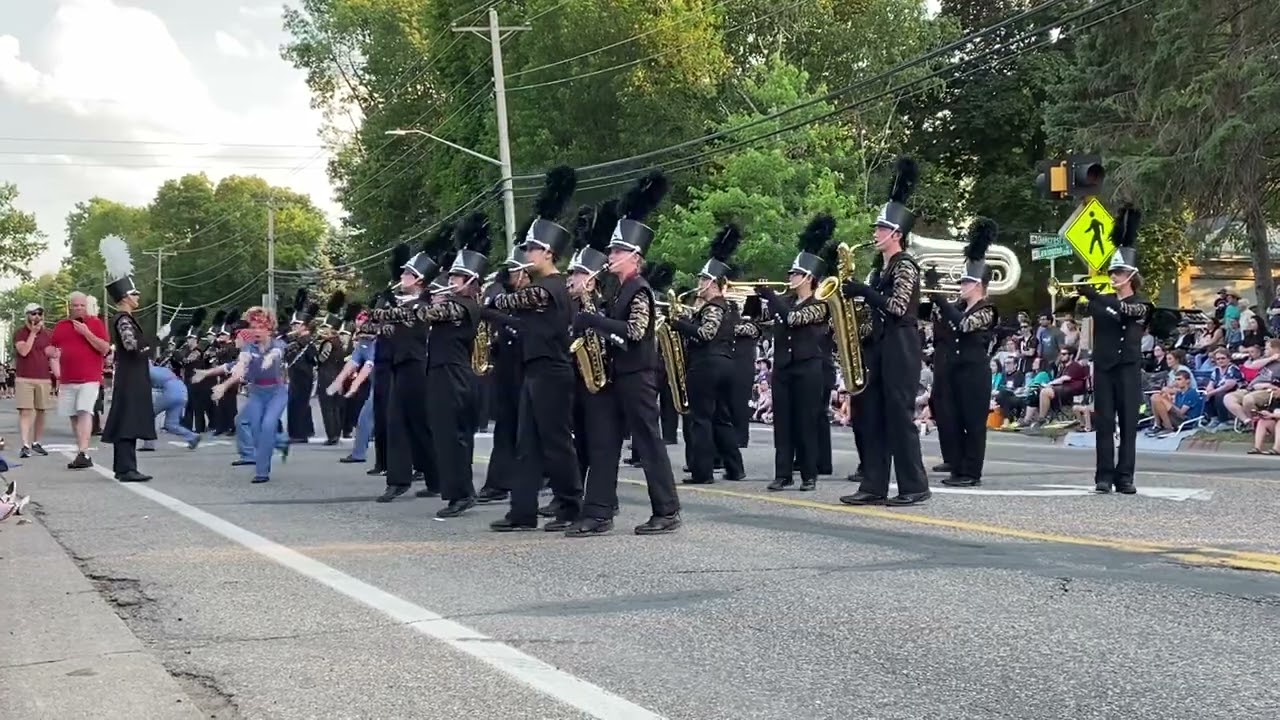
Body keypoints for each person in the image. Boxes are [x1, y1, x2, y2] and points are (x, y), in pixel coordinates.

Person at [567, 170, 681, 535]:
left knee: (648, 445)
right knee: (604, 443)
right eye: (611, 250)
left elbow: (635, 331)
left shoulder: (640, 289)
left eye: (617, 251)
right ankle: (598, 512)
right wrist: (591, 311)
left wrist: (595, 320)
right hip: (617, 376)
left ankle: (667, 510)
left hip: (639, 377)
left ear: (634, 256)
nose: (610, 256)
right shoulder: (618, 289)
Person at [487, 166, 583, 532]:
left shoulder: (552, 287)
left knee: (555, 443)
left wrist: (496, 294)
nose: (526, 254)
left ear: (547, 253)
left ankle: (571, 505)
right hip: (534, 370)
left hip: (553, 372)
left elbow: (514, 301)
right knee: (526, 443)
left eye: (531, 249)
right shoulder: (539, 286)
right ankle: (522, 511)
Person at [839, 156, 930, 506]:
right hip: (878, 345)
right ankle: (873, 485)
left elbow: (897, 307)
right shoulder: (881, 270)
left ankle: (914, 486)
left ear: (897, 234)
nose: (875, 233)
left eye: (881, 228)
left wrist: (865, 292)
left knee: (898, 417)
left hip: (901, 345)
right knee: (873, 416)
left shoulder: (906, 265)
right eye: (877, 228)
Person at [754, 214, 834, 492]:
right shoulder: (785, 300)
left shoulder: (820, 304)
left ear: (808, 277)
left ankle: (809, 474)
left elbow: (793, 319)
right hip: (783, 368)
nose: (790, 277)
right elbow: (762, 322)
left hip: (808, 368)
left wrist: (771, 296)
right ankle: (783, 473)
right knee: (783, 423)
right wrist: (760, 300)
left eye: (795, 274)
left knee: (806, 422)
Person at [1076, 205, 1151, 494]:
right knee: (1104, 422)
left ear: (1131, 275)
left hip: (1129, 368)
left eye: (1118, 272)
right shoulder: (1100, 301)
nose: (1114, 276)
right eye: (1112, 272)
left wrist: (1097, 297)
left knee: (1129, 424)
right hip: (1105, 368)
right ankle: (1104, 476)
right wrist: (1085, 297)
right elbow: (1079, 310)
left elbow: (1127, 311)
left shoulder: (1143, 304)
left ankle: (1125, 476)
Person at [419, 212, 488, 518]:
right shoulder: (452, 303)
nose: (449, 282)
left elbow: (427, 315)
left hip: (455, 376)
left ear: (470, 281)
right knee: (444, 435)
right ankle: (456, 492)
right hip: (442, 373)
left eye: (456, 279)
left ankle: (462, 493)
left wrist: (423, 300)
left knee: (454, 437)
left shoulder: (464, 306)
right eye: (450, 277)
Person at [370, 235, 445, 503]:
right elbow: (379, 325)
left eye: (407, 274)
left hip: (417, 367)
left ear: (419, 280)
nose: (402, 276)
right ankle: (398, 480)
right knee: (398, 423)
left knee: (420, 425)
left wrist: (386, 310)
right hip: (400, 366)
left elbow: (401, 317)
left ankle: (436, 479)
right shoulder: (402, 303)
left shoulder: (423, 305)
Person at [925, 217, 999, 487]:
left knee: (974, 423)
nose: (960, 286)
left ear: (978, 284)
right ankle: (958, 467)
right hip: (955, 371)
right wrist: (935, 298)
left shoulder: (987, 310)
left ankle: (971, 472)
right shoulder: (958, 307)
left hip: (975, 373)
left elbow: (966, 325)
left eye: (965, 283)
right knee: (953, 420)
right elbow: (940, 325)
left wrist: (943, 303)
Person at [672, 224, 746, 485]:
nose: (699, 284)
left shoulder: (714, 306)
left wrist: (680, 324)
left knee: (701, 419)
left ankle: (702, 472)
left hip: (706, 365)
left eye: (703, 280)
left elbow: (706, 333)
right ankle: (735, 468)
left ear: (714, 283)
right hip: (726, 364)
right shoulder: (727, 307)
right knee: (721, 418)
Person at [195, 309, 295, 482]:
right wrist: (221, 383)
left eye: (260, 327)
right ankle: (273, 449)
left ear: (269, 328)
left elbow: (276, 353)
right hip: (257, 393)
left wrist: (269, 358)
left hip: (276, 393)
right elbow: (238, 365)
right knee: (256, 431)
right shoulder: (249, 348)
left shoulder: (278, 344)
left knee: (268, 425)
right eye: (253, 327)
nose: (256, 331)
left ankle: (262, 472)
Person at [475, 248, 532, 504]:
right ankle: (498, 483)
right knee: (506, 426)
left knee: (529, 428)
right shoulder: (505, 293)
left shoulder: (535, 295)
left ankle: (541, 479)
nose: (510, 274)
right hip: (507, 366)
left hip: (528, 366)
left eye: (514, 270)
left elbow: (523, 327)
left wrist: (495, 314)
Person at [97, 236, 155, 482]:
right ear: (124, 297)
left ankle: (124, 467)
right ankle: (126, 468)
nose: (138, 296)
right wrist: (154, 342)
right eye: (134, 293)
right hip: (131, 376)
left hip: (131, 375)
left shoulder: (126, 318)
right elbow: (131, 345)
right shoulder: (123, 319)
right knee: (128, 422)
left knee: (127, 421)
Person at [49, 291, 111, 470]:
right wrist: (50, 354)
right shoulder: (61, 326)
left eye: (82, 305)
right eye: (75, 305)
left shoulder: (95, 323)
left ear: (86, 306)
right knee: (73, 415)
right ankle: (81, 453)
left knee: (84, 411)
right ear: (70, 307)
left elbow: (104, 348)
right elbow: (53, 348)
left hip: (89, 377)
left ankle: (83, 452)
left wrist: (86, 333)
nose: (78, 308)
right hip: (68, 378)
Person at [13, 302, 53, 459]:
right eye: (33, 313)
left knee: (41, 410)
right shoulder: (20, 333)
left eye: (39, 314)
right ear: (27, 316)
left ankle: (36, 442)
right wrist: (33, 334)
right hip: (24, 377)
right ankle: (25, 444)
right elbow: (24, 351)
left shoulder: (48, 334)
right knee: (25, 411)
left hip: (43, 377)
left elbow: (53, 354)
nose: (36, 316)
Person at [141, 360, 201, 451]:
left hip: (170, 392)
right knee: (170, 424)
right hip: (182, 392)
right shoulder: (162, 369)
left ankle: (149, 444)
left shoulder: (147, 372)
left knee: (147, 415)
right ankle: (192, 437)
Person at [284, 294, 318, 443]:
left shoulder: (307, 341)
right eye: (292, 325)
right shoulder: (296, 340)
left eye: (296, 325)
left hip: (303, 375)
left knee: (298, 404)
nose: (293, 327)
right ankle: (305, 430)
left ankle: (299, 434)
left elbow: (313, 358)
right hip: (296, 375)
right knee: (297, 403)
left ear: (304, 326)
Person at [314, 293, 347, 445]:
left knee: (327, 408)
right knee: (335, 407)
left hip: (327, 376)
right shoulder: (339, 342)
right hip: (338, 375)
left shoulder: (328, 343)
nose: (322, 330)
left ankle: (332, 435)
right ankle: (336, 433)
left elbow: (322, 359)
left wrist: (316, 353)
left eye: (325, 328)